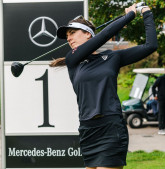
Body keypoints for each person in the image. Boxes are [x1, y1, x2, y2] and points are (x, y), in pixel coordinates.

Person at [50, 3, 157, 169]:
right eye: (67, 36)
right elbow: (104, 36)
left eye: (72, 33)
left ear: (87, 34)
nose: (68, 38)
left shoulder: (112, 58)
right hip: (87, 130)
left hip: (111, 127)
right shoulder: (73, 60)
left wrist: (146, 13)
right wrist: (128, 17)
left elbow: (150, 46)